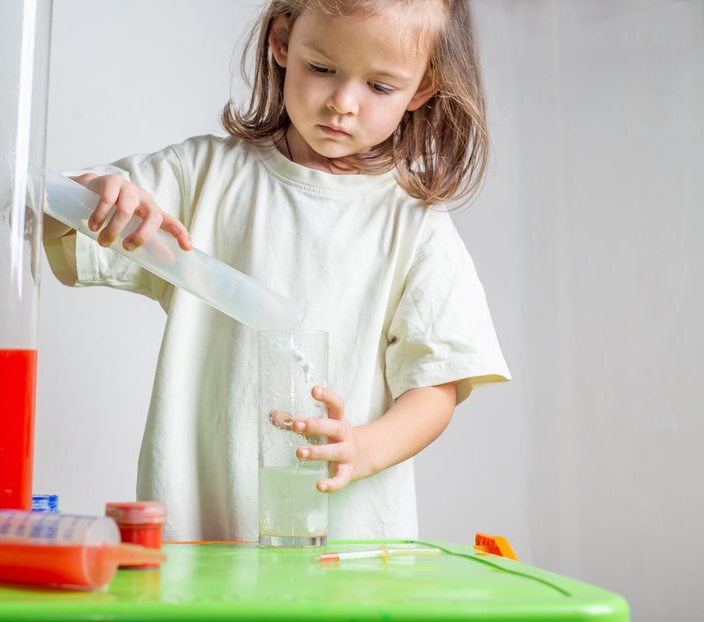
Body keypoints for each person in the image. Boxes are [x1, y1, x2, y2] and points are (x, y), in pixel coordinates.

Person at [43, 0, 510, 541]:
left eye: (380, 86)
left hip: (347, 552)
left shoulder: (415, 225)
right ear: (283, 43)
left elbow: (437, 385)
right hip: (199, 541)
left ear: (423, 87)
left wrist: (365, 448)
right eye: (322, 68)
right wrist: (93, 197)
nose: (343, 103)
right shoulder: (203, 178)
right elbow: (40, 218)